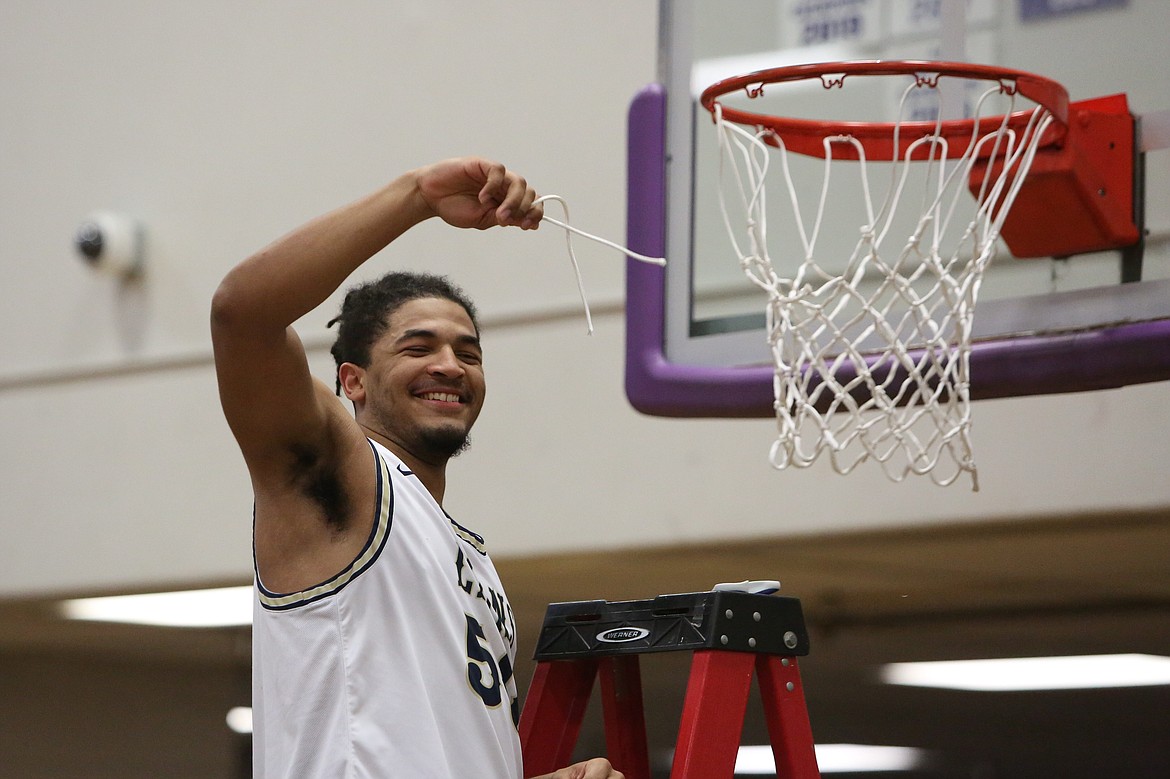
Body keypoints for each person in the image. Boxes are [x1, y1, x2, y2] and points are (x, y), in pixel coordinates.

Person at [211, 157, 622, 779]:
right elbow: (241, 314)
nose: (451, 365)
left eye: (468, 352)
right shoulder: (346, 476)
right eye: (418, 347)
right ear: (353, 380)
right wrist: (417, 197)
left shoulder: (464, 551)